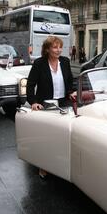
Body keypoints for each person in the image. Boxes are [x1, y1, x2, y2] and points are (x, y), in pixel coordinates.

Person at [27, 36, 76, 179]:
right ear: (47, 49)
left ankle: (62, 163)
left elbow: (70, 81)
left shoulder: (65, 62)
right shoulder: (39, 63)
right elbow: (30, 84)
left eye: (60, 47)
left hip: (63, 102)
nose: (58, 50)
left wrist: (71, 92)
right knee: (46, 138)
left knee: (65, 134)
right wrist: (33, 102)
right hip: (46, 104)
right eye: (55, 47)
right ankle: (44, 165)